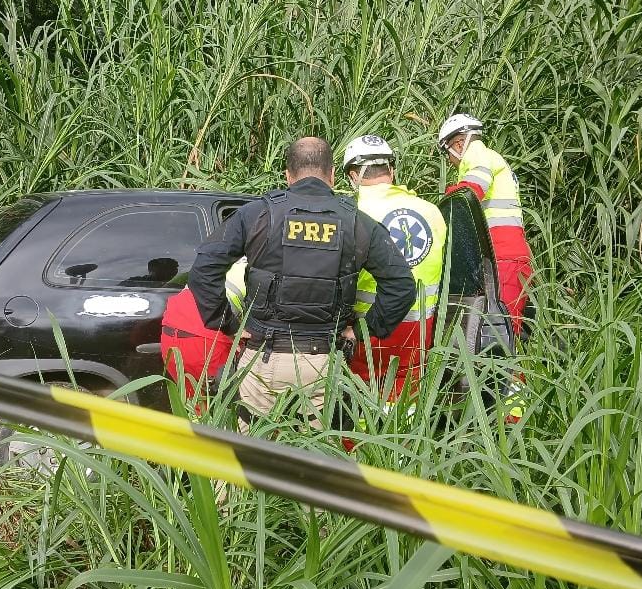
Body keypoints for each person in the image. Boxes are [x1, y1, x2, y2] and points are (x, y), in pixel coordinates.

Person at [188, 137, 415, 431]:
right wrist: (362, 329)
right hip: (323, 363)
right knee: (315, 465)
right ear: (332, 175)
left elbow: (203, 269)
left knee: (251, 461)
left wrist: (230, 324)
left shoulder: (258, 214)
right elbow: (402, 286)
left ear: (287, 175)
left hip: (263, 360)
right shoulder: (357, 222)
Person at [342, 135, 447, 400]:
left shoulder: (353, 212)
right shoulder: (432, 211)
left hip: (370, 326)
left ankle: (360, 441)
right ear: (391, 170)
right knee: (407, 395)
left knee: (363, 395)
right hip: (421, 327)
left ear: (353, 175)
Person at [438, 114, 533, 336]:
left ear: (459, 144)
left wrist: (442, 204)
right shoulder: (493, 157)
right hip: (508, 252)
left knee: (501, 333)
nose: (450, 161)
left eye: (447, 154)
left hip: (502, 252)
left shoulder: (477, 154)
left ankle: (510, 372)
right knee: (505, 329)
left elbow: (470, 192)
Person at [160, 260, 246, 404]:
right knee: (233, 406)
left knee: (195, 407)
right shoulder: (259, 270)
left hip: (170, 338)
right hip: (206, 342)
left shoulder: (212, 261)